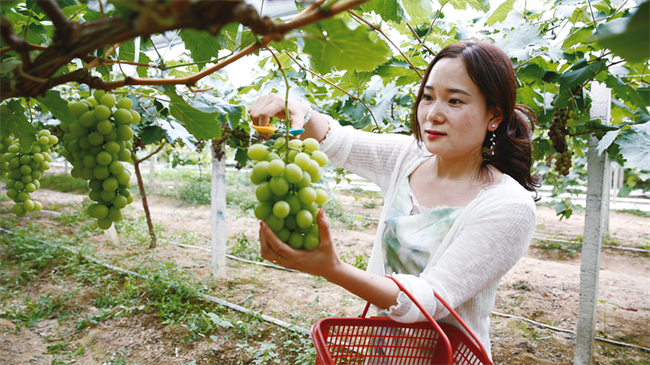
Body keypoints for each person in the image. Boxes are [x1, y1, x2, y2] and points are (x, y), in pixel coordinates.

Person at [248, 40, 538, 357]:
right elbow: (336, 139)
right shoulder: (408, 159)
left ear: (494, 116)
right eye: (428, 97)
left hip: (447, 358)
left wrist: (333, 269)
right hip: (381, 353)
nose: (433, 114)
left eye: (454, 101)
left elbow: (431, 299)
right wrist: (297, 110)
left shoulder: (509, 206)